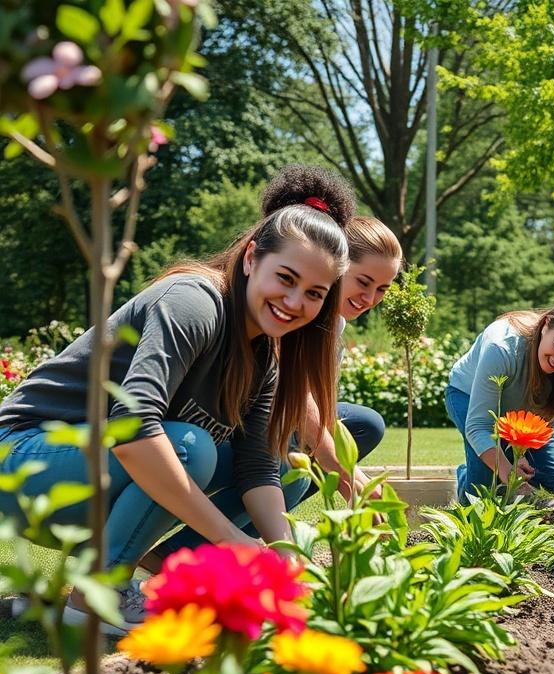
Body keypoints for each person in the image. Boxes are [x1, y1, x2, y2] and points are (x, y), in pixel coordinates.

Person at [0, 164, 355, 633]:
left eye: (313, 293)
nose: (294, 302)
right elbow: (132, 429)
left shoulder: (265, 353)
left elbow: (255, 466)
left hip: (92, 469)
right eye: (285, 278)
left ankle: (166, 579)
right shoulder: (194, 302)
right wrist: (231, 540)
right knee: (189, 446)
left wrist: (289, 562)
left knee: (287, 465)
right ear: (251, 258)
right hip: (23, 458)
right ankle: (98, 595)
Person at [445, 297, 554, 507]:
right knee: (482, 488)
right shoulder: (501, 348)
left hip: (531, 414)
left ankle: (505, 465)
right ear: (546, 325)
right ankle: (467, 475)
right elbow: (479, 426)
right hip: (469, 397)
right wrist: (509, 473)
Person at [298, 216, 403, 501]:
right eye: (364, 282)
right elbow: (302, 410)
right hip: (252, 424)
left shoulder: (337, 324)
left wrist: (361, 480)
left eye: (382, 289)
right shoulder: (297, 312)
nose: (370, 299)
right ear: (337, 265)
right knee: (297, 459)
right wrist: (353, 490)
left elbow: (323, 408)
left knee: (366, 424)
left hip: (291, 424)